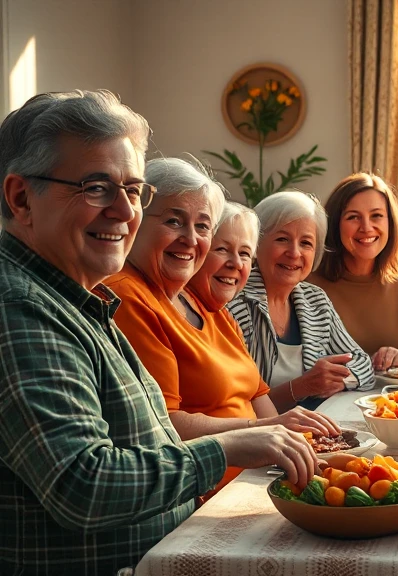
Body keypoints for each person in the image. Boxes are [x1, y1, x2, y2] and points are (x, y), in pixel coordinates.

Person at [0, 90, 317, 574]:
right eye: (96, 188)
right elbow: (83, 486)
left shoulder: (76, 298)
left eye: (133, 191)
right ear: (21, 198)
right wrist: (229, 447)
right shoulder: (21, 309)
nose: (126, 212)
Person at [107, 158, 340, 493]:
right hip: (210, 490)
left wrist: (285, 437)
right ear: (136, 219)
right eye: (174, 221)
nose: (190, 238)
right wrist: (266, 429)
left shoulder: (207, 305)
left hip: (256, 478)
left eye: (202, 226)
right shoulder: (129, 297)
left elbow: (257, 393)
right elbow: (163, 424)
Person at [228, 191, 374, 412]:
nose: (294, 253)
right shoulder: (236, 303)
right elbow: (238, 404)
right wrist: (302, 387)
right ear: (256, 243)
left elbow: (362, 362)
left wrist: (340, 379)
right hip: (264, 429)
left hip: (316, 423)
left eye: (306, 243)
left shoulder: (315, 300)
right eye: (282, 239)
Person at [308, 172, 398, 370]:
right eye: (353, 217)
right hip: (331, 390)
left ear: (390, 222)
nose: (366, 227)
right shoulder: (308, 284)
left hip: (389, 390)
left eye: (376, 215)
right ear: (334, 225)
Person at [188, 201, 259, 311]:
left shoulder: (225, 317)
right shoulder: (172, 314)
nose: (237, 264)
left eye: (244, 253)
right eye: (222, 249)